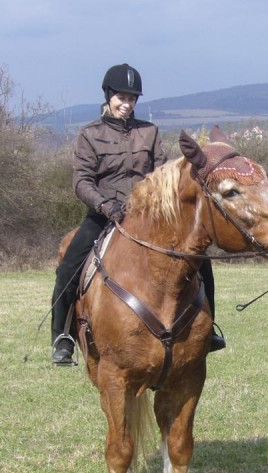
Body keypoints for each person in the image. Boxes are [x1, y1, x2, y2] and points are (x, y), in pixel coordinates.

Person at [50, 63, 225, 365]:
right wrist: (105, 205)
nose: (126, 104)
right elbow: (82, 181)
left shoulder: (149, 132)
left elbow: (161, 170)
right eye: (121, 97)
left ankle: (208, 331)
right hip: (104, 215)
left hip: (148, 216)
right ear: (108, 96)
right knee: (69, 266)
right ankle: (62, 336)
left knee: (201, 260)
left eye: (132, 98)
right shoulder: (90, 135)